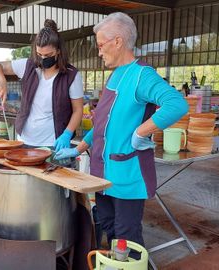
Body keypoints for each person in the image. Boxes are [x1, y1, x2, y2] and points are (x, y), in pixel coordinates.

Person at [54, 12, 188, 255]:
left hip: (127, 175)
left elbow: (176, 104)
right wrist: (78, 148)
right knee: (108, 228)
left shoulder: (141, 75)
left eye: (101, 45)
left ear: (117, 41)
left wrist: (141, 131)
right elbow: (104, 125)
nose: (99, 52)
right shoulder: (115, 75)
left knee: (127, 236)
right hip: (103, 176)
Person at [0, 19, 83, 152]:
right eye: (39, 54)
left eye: (48, 55)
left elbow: (78, 110)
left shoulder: (71, 75)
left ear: (58, 51)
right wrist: (1, 80)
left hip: (53, 143)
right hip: (24, 140)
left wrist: (67, 134)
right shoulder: (28, 66)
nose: (43, 58)